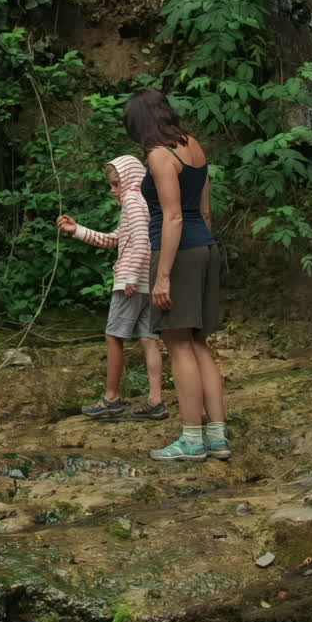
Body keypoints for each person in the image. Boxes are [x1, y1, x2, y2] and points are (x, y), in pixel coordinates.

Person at [123, 89, 230, 462]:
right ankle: (216, 436)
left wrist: (163, 274)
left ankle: (191, 439)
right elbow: (205, 208)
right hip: (205, 247)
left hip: (178, 253)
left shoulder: (159, 155)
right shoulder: (193, 146)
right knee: (199, 343)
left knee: (179, 344)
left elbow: (172, 216)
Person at [57, 154, 167, 421]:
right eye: (112, 185)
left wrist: (130, 276)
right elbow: (116, 240)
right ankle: (156, 400)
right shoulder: (143, 202)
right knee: (149, 339)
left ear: (130, 179)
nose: (113, 190)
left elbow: (142, 240)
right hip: (146, 281)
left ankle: (112, 398)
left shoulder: (131, 199)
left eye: (116, 183)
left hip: (132, 280)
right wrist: (78, 230)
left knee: (113, 336)